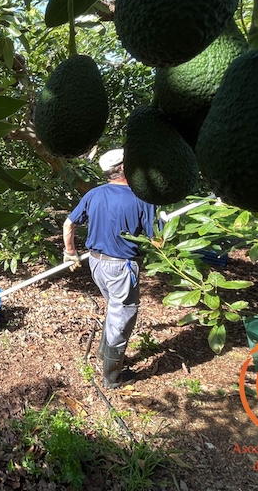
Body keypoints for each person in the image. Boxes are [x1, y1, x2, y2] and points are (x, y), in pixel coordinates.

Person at [62, 148, 156, 389]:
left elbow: (69, 224)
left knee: (114, 308)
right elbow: (157, 239)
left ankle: (104, 354)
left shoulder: (94, 194)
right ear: (124, 168)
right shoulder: (141, 198)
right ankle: (112, 377)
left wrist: (70, 253)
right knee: (122, 314)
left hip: (96, 263)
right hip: (121, 266)